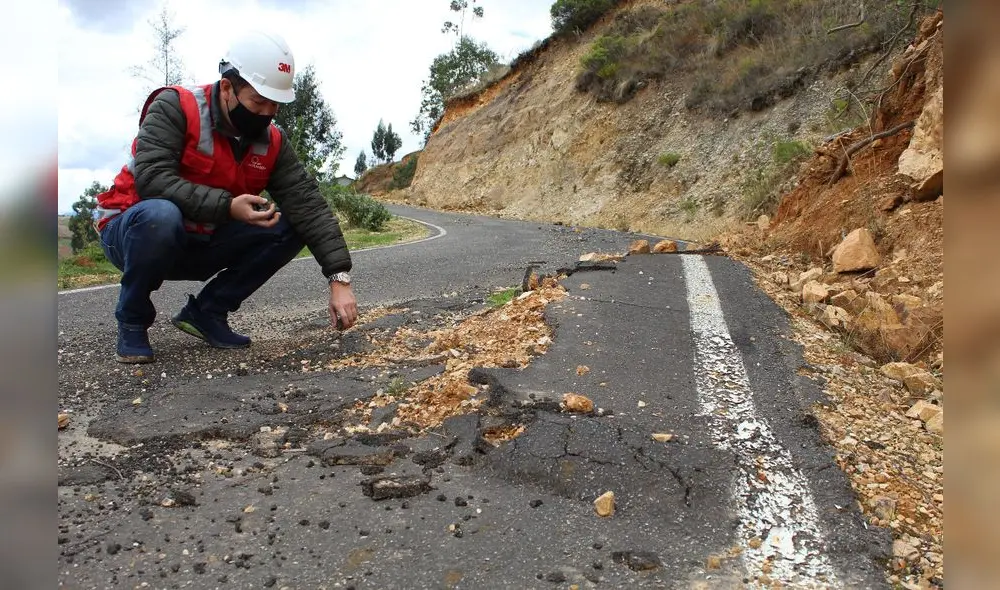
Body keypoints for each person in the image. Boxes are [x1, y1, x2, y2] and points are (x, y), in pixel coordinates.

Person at [94, 29, 357, 364]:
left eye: (274, 105)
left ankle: (207, 312)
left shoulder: (272, 140)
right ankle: (132, 319)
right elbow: (153, 180)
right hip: (133, 231)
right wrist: (228, 207)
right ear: (228, 88)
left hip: (201, 236)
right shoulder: (176, 107)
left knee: (291, 224)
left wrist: (339, 279)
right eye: (258, 102)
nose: (266, 113)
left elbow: (308, 204)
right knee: (160, 215)